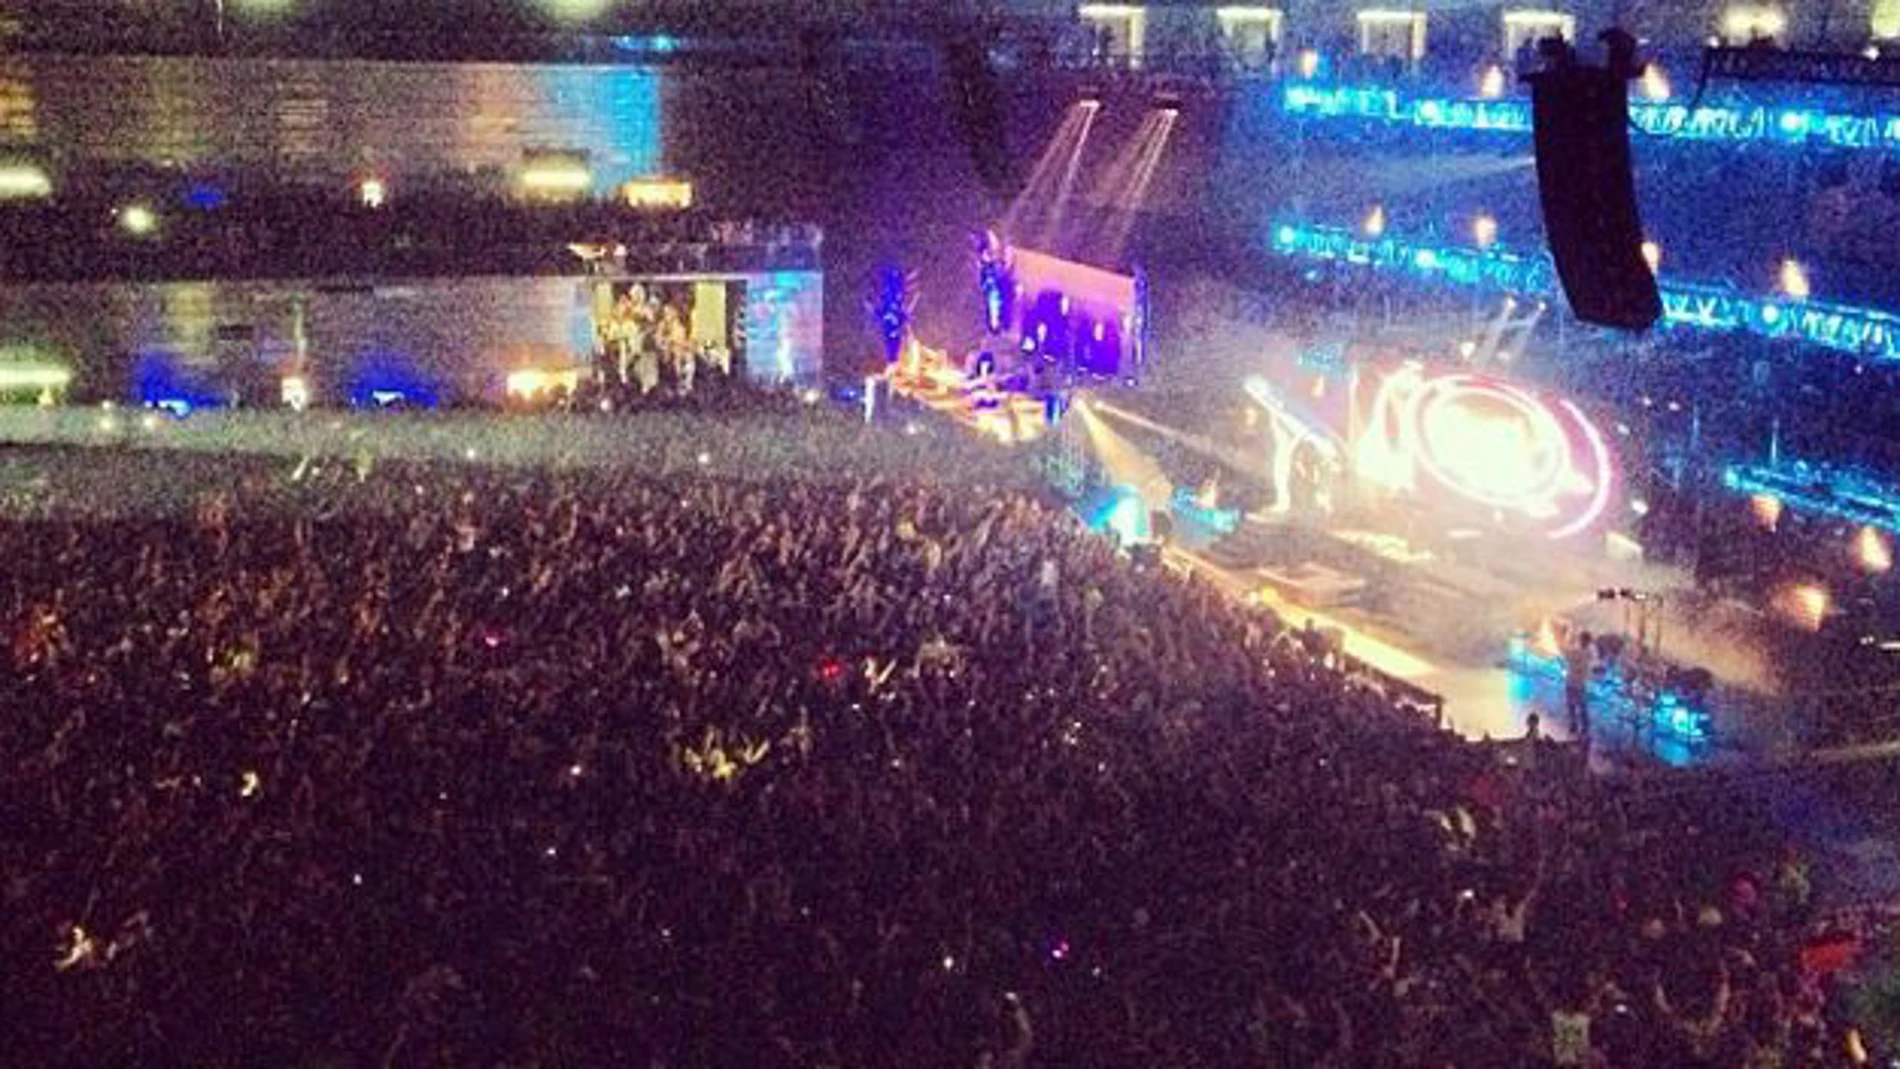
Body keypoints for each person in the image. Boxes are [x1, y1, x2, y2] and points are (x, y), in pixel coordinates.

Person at [1565, 629, 1595, 742]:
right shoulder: (1588, 653)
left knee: (1574, 706)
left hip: (1572, 683)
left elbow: (1567, 654)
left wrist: (1569, 638)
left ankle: (1576, 726)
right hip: (1578, 684)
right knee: (1580, 706)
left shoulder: (1577, 652)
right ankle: (1583, 728)